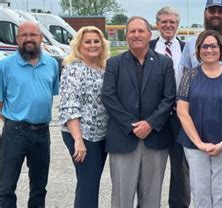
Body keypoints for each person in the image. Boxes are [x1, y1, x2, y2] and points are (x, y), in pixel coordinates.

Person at [101, 16, 176, 207]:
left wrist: (150, 123)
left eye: (141, 31)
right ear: (126, 35)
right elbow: (109, 97)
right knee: (122, 198)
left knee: (151, 198)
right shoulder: (114, 63)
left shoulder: (164, 63)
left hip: (155, 138)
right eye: (132, 31)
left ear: (150, 34)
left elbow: (169, 97)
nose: (136, 35)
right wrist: (131, 125)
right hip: (123, 138)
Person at [176, 30, 222, 208]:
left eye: (213, 46)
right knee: (200, 192)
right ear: (198, 50)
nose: (209, 50)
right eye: (204, 46)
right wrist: (199, 143)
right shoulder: (190, 76)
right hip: (195, 145)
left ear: (220, 49)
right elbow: (182, 111)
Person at [0, 21, 59, 207]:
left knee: (40, 186)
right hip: (15, 132)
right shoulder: (5, 66)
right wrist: (11, 122)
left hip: (43, 132)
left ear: (41, 38)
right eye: (23, 35)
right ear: (17, 39)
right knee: (6, 185)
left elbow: (51, 93)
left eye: (33, 35)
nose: (28, 39)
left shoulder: (52, 64)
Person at [58, 26, 109, 208]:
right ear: (79, 46)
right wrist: (78, 140)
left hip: (102, 134)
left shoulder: (104, 68)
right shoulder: (73, 69)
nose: (92, 45)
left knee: (90, 182)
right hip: (82, 134)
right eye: (87, 42)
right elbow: (69, 105)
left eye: (96, 41)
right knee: (89, 184)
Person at [148, 6, 190, 207]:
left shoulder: (187, 48)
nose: (168, 25)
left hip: (180, 116)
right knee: (151, 167)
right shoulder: (147, 47)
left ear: (177, 25)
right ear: (157, 24)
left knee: (180, 168)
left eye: (172, 22)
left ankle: (179, 204)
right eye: (164, 21)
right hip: (154, 116)